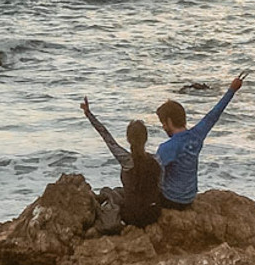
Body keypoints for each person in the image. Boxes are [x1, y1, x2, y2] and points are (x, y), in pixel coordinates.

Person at [153, 73, 244, 208]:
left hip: (171, 200)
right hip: (189, 199)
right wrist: (232, 90)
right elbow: (214, 115)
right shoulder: (197, 135)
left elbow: (154, 176)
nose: (163, 127)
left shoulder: (167, 147)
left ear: (169, 121)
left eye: (163, 123)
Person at [79, 100, 162, 229]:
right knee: (119, 191)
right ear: (146, 138)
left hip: (133, 216)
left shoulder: (127, 161)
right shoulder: (156, 161)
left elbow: (106, 136)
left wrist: (88, 114)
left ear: (128, 139)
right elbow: (159, 186)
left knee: (107, 192)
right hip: (154, 214)